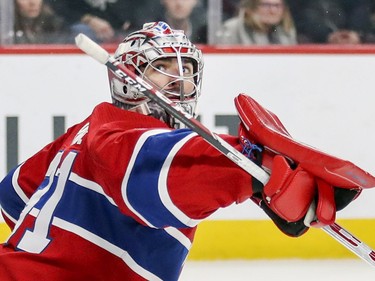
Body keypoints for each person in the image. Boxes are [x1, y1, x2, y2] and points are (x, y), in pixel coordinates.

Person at [0, 21, 372, 280]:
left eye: (187, 69)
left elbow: (13, 195)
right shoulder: (121, 134)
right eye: (162, 67)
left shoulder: (85, 132)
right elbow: (153, 177)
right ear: (128, 81)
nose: (181, 79)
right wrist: (254, 169)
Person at [45, 0, 160, 43]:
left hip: (126, 30)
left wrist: (134, 21)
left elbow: (147, 6)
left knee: (143, 34)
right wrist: (88, 19)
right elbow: (59, 6)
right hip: (85, 28)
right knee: (81, 33)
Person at [290, 0, 372, 44]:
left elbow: (361, 7)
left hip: (355, 37)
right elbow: (299, 14)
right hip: (316, 39)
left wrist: (356, 33)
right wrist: (327, 36)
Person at [217, 0, 297, 45]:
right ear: (251, 6)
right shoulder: (233, 28)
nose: (273, 11)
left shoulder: (286, 31)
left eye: (277, 6)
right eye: (266, 5)